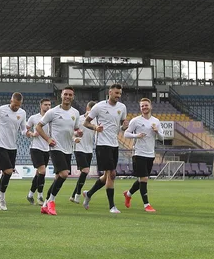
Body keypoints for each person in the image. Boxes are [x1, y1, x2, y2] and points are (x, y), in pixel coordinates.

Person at [35, 87, 82, 215]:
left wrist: (78, 133)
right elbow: (38, 126)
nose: (67, 96)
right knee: (64, 174)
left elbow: (75, 129)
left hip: (68, 149)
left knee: (58, 177)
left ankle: (45, 205)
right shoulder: (52, 112)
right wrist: (48, 139)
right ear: (61, 95)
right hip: (56, 147)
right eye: (65, 94)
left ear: (73, 96)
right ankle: (51, 201)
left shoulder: (75, 113)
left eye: (70, 95)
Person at [82, 83, 128, 214]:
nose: (118, 96)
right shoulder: (99, 106)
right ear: (110, 92)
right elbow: (86, 122)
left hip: (114, 144)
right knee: (112, 174)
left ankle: (89, 193)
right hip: (102, 144)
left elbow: (121, 127)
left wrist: (125, 126)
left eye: (120, 93)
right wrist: (95, 128)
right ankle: (112, 206)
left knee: (107, 175)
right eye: (116, 93)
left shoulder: (122, 107)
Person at [0, 92, 27, 211]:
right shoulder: (1, 110)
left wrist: (28, 133)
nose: (16, 107)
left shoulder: (22, 113)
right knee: (9, 172)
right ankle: (2, 199)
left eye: (18, 105)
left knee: (6, 174)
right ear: (11, 101)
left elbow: (23, 129)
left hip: (12, 147)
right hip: (0, 145)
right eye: (14, 105)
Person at [123, 98, 163, 212]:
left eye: (146, 105)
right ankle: (146, 205)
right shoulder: (135, 121)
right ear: (140, 108)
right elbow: (126, 133)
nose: (144, 107)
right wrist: (136, 136)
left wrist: (157, 131)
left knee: (142, 179)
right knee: (144, 178)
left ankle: (128, 194)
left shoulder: (156, 121)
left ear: (151, 106)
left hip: (150, 154)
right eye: (142, 106)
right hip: (138, 153)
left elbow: (162, 138)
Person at [26, 98, 51, 205]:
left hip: (47, 149)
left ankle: (30, 194)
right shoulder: (34, 118)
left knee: (38, 173)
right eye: (45, 104)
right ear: (41, 106)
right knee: (42, 171)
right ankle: (40, 196)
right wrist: (32, 134)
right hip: (36, 148)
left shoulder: (51, 118)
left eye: (49, 105)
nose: (48, 106)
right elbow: (25, 130)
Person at [70, 101, 96, 204]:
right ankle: (78, 194)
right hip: (79, 148)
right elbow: (70, 131)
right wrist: (75, 137)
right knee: (85, 171)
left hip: (89, 149)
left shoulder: (96, 122)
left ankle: (73, 195)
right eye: (91, 110)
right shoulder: (79, 119)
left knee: (84, 173)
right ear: (87, 108)